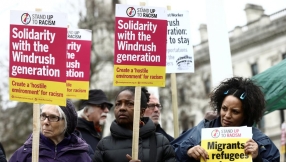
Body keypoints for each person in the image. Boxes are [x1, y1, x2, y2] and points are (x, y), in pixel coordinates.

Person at [171, 77, 280, 162]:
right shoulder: (201, 131)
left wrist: (257, 159)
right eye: (224, 109)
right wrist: (187, 152)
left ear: (246, 115)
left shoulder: (260, 141)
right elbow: (170, 153)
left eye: (235, 111)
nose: (227, 115)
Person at [93, 87, 176, 162]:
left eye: (129, 104)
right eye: (118, 104)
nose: (122, 108)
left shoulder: (160, 142)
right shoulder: (104, 145)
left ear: (142, 112)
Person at [9, 100, 92, 162]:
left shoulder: (80, 155)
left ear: (67, 123)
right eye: (43, 116)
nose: (45, 122)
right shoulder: (26, 152)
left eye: (53, 117)